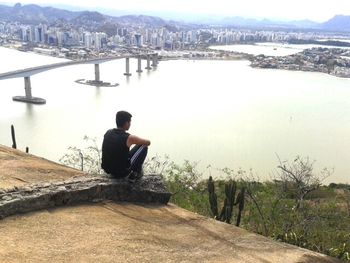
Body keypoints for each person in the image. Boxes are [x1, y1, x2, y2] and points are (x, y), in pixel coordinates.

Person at [101, 111, 150, 182]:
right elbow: (148, 142)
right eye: (129, 122)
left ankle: (133, 172)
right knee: (144, 146)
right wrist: (136, 141)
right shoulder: (128, 138)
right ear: (126, 123)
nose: (130, 124)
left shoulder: (108, 132)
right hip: (121, 173)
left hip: (108, 169)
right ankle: (135, 174)